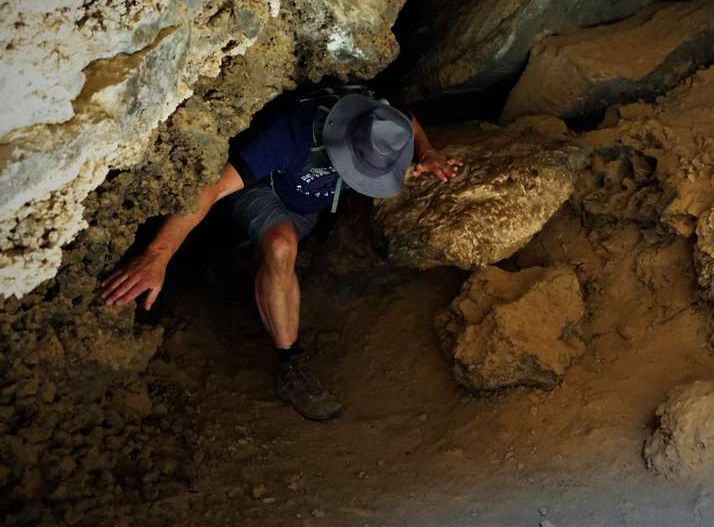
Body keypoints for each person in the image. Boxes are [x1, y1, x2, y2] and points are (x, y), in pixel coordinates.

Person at [100, 84, 461, 421]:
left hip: (308, 207)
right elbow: (211, 188)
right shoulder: (293, 133)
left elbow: (406, 119)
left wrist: (426, 152)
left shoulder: (379, 116)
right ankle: (291, 364)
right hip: (263, 191)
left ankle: (241, 266)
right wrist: (157, 256)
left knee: (278, 252)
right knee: (280, 245)